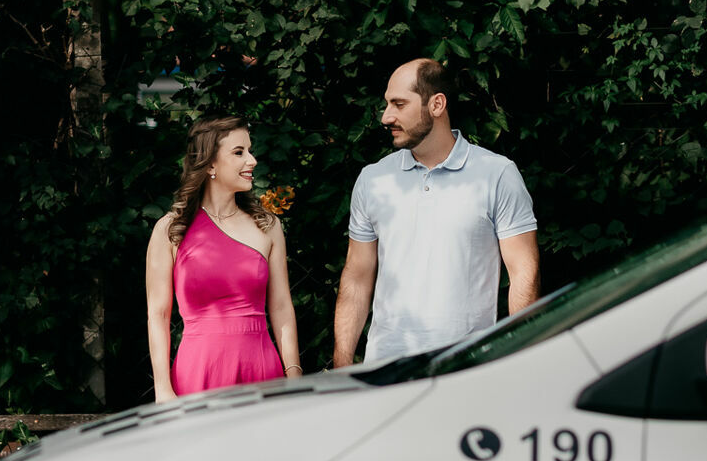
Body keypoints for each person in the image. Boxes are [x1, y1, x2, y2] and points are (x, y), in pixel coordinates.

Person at [332, 59, 540, 366]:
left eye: (399, 104)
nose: (386, 117)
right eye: (387, 104)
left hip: (465, 369)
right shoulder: (373, 179)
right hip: (385, 370)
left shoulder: (496, 174)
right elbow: (357, 277)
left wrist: (520, 359)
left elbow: (524, 272)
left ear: (437, 104)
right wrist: (342, 362)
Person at [145, 116, 300, 400]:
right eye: (239, 152)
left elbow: (281, 307)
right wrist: (163, 388)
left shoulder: (268, 226)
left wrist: (294, 374)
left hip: (261, 370)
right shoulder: (170, 229)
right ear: (210, 164)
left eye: (250, 150)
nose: (252, 160)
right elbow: (158, 314)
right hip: (197, 372)